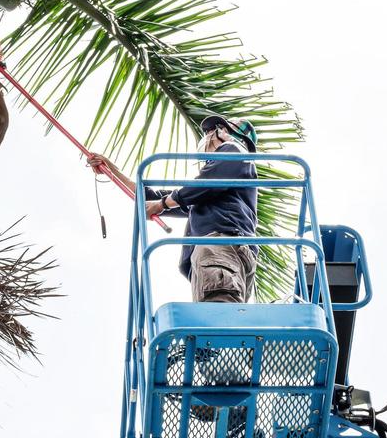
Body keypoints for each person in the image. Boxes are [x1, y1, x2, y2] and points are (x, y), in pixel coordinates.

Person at [88, 114, 260, 303]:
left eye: (212, 130)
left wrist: (162, 204)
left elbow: (198, 188)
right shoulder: (214, 193)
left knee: (219, 313)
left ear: (225, 132)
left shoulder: (234, 149)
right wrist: (112, 171)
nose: (208, 135)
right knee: (218, 314)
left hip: (222, 247)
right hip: (223, 253)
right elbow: (152, 197)